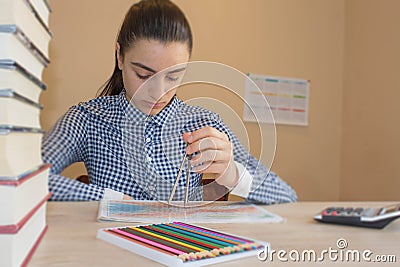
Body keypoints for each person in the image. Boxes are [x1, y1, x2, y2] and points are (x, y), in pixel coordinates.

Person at [42, 0, 297, 204]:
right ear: (120, 57)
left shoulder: (204, 123)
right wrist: (110, 200)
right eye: (143, 75)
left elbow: (287, 196)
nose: (157, 92)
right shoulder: (87, 119)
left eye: (173, 76)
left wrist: (232, 173)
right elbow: (24, 177)